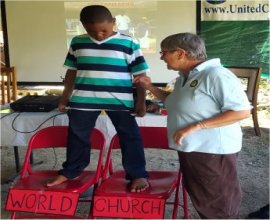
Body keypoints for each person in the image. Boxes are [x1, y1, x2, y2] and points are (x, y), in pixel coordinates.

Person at [134, 32, 251, 218]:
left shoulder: (216, 75)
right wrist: (150, 87)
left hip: (212, 151)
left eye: (164, 52)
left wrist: (196, 127)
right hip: (194, 148)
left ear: (181, 53)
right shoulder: (185, 77)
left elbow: (241, 111)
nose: (162, 57)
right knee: (204, 199)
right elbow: (175, 101)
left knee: (218, 203)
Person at [46, 5, 149, 192]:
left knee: (130, 136)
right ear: (83, 26)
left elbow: (140, 74)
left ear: (114, 23)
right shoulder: (78, 42)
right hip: (83, 99)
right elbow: (71, 72)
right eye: (92, 31)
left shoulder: (129, 43)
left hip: (120, 100)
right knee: (77, 136)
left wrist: (141, 102)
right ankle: (71, 170)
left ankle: (137, 174)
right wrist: (64, 97)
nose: (99, 35)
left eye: (104, 30)